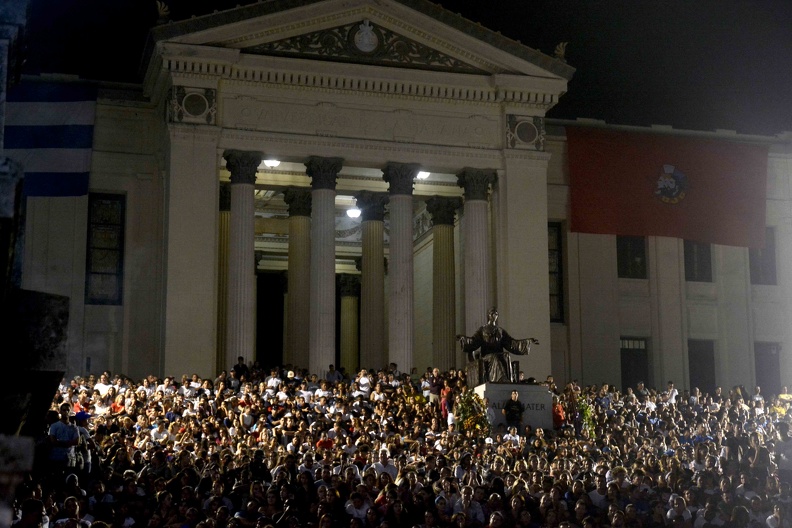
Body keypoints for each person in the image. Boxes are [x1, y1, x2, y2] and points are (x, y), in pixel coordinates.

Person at [457, 307, 538, 383]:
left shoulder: (500, 331)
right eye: (493, 313)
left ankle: (507, 379)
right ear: (489, 315)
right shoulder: (482, 330)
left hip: (498, 355)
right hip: (486, 356)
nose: (495, 315)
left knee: (506, 356)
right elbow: (473, 341)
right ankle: (501, 378)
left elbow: (512, 343)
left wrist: (528, 341)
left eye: (496, 314)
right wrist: (462, 338)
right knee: (494, 357)